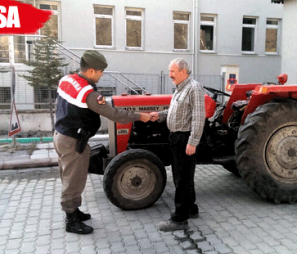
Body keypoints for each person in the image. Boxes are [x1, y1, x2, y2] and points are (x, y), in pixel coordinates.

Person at [54, 50, 151, 234]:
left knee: (68, 176)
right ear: (91, 71)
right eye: (100, 71)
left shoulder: (66, 79)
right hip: (73, 141)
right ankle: (71, 219)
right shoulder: (88, 92)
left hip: (61, 135)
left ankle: (74, 210)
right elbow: (113, 114)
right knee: (73, 180)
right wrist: (140, 116)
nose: (101, 75)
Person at [150, 58, 205, 232]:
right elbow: (174, 112)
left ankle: (180, 219)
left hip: (184, 138)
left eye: (172, 71)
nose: (170, 74)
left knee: (181, 179)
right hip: (175, 137)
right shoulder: (180, 89)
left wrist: (193, 141)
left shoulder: (193, 88)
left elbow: (198, 117)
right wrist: (158, 115)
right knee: (184, 176)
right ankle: (191, 208)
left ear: (183, 71)